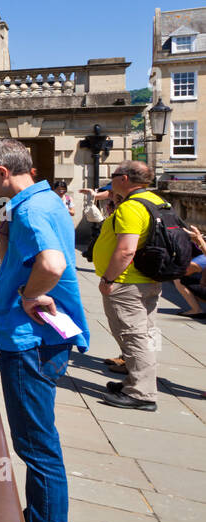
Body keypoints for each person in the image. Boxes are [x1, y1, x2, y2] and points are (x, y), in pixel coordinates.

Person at [0, 138, 89, 522]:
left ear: (2, 173)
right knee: (37, 441)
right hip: (44, 339)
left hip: (30, 340)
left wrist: (30, 295)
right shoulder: (45, 201)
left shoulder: (31, 210)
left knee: (36, 447)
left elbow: (52, 264)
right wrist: (1, 231)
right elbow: (12, 263)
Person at [92, 161, 169, 411]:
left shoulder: (132, 208)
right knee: (146, 333)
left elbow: (126, 250)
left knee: (132, 336)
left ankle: (141, 393)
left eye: (113, 176)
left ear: (124, 178)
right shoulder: (156, 201)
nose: (110, 180)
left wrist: (109, 279)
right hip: (148, 279)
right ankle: (137, 381)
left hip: (127, 282)